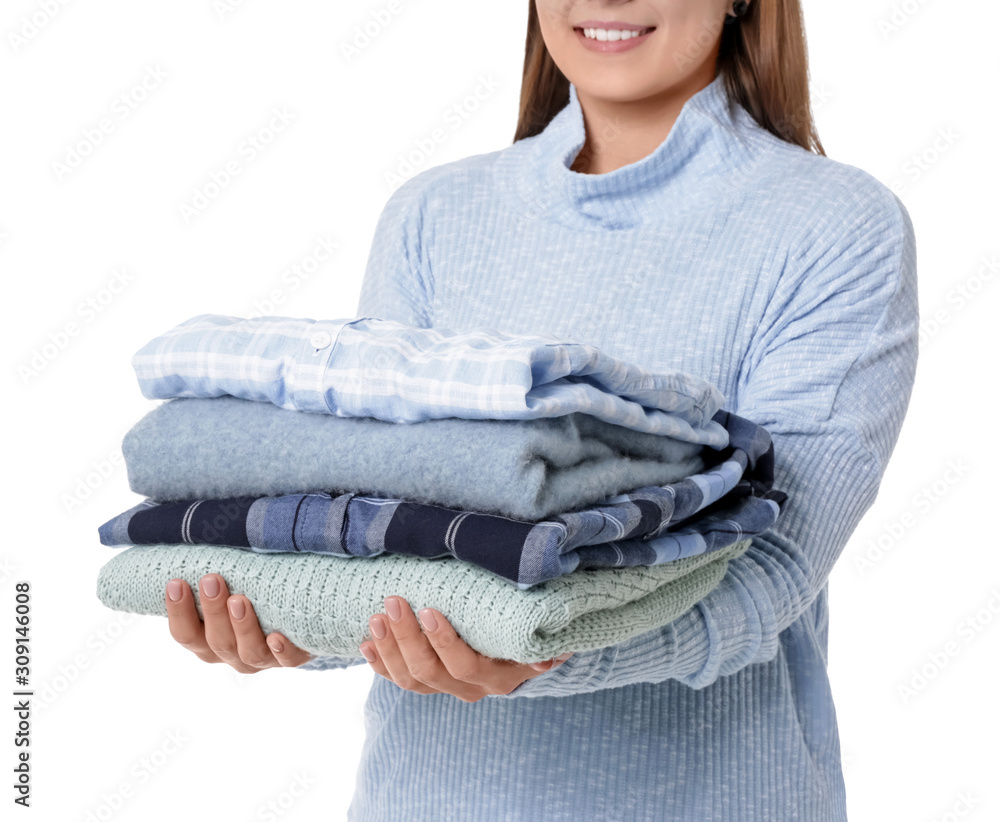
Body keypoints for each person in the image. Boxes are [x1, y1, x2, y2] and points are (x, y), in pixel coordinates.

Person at [162, 1, 919, 818]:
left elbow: (770, 572)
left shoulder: (836, 228)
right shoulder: (435, 217)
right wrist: (287, 617)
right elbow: (373, 526)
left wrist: (540, 650)